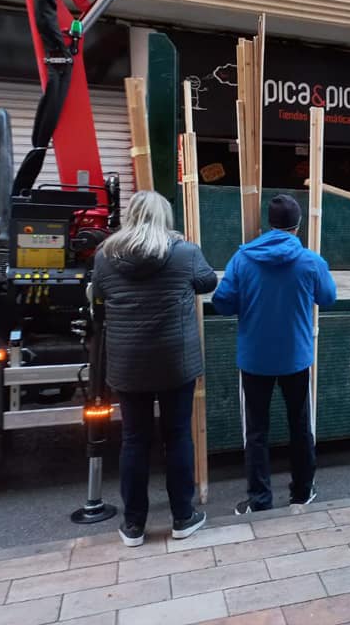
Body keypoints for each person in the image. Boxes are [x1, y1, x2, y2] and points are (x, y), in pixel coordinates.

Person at [92, 190, 217, 547]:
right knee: (177, 435)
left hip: (128, 363)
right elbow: (209, 282)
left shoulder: (105, 256)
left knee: (134, 439)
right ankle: (182, 517)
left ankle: (133, 526)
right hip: (175, 360)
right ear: (165, 218)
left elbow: (98, 295)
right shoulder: (184, 253)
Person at [213, 194, 337, 513]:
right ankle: (301, 492)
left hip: (254, 359)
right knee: (300, 426)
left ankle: (260, 500)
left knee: (256, 431)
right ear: (297, 226)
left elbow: (222, 303)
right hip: (296, 357)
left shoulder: (242, 259)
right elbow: (328, 297)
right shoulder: (310, 261)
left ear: (269, 224)